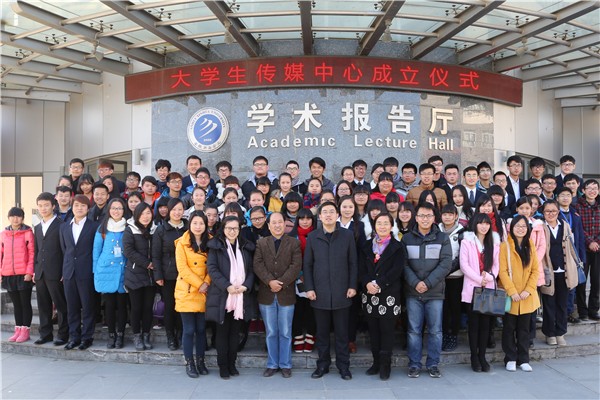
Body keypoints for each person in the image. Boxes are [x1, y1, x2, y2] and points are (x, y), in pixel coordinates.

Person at [304, 202, 358, 380]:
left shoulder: (347, 235)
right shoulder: (313, 237)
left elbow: (353, 263)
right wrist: (309, 288)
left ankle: (344, 366)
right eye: (324, 212)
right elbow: (308, 265)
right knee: (322, 333)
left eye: (331, 212)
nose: (328, 215)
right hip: (319, 293)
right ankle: (323, 365)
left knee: (342, 334)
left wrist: (352, 285)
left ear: (337, 215)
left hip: (342, 291)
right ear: (319, 217)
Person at [401, 202, 451, 379]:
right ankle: (414, 364)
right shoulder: (407, 238)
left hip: (435, 292)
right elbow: (403, 264)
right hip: (413, 292)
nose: (425, 219)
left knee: (435, 331)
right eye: (421, 215)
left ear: (434, 218)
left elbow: (446, 264)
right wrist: (416, 283)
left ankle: (433, 364)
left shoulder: (442, 238)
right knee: (414, 330)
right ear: (416, 218)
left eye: (428, 216)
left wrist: (427, 283)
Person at [254, 212, 303, 378]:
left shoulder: (294, 243)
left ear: (285, 224)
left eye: (280, 222)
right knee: (271, 332)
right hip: (266, 293)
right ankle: (272, 364)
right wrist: (270, 281)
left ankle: (285, 364)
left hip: (286, 293)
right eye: (273, 223)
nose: (277, 225)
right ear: (268, 226)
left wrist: (280, 282)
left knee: (285, 332)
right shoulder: (261, 243)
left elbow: (296, 266)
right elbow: (257, 265)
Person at [207, 216, 256, 379]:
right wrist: (227, 285)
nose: (232, 231)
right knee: (222, 333)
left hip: (240, 295)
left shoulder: (245, 246)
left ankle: (232, 364)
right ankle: (223, 366)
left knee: (235, 333)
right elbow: (212, 269)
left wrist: (246, 286)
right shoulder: (215, 246)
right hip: (223, 296)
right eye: (229, 228)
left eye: (235, 228)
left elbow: (251, 270)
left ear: (239, 229)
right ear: (223, 229)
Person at [358, 213, 405, 380]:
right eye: (379, 223)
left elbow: (397, 270)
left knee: (387, 332)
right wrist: (367, 283)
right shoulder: (366, 245)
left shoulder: (397, 247)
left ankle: (386, 365)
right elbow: (361, 268)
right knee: (374, 331)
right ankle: (376, 363)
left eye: (386, 223)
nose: (382, 226)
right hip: (370, 295)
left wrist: (379, 284)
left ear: (391, 226)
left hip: (388, 295)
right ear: (374, 226)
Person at [499, 215, 540, 372]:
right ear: (511, 228)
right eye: (517, 226)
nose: (521, 229)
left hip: (526, 296)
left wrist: (528, 290)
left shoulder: (530, 244)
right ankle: (510, 358)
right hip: (511, 296)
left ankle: (523, 359)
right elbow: (502, 271)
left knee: (524, 330)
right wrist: (512, 291)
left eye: (523, 226)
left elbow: (535, 270)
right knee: (509, 328)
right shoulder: (505, 246)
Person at [460, 213, 501, 372]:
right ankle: (474, 357)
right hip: (473, 287)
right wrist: (479, 279)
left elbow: (496, 265)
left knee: (485, 325)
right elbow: (464, 265)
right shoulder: (467, 241)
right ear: (475, 224)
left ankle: (482, 356)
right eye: (481, 223)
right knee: (474, 325)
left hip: (488, 288)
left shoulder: (494, 243)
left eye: (487, 223)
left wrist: (490, 276)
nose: (484, 226)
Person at [60, 194, 99, 350]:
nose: (79, 208)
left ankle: (87, 337)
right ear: (72, 207)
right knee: (72, 307)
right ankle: (74, 337)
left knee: (88, 306)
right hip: (69, 272)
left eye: (83, 206)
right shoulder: (64, 227)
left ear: (88, 209)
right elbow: (64, 250)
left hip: (86, 272)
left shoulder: (94, 226)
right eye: (76, 205)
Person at [175, 211, 211, 378]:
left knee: (201, 329)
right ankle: (189, 362)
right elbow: (182, 269)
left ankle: (201, 361)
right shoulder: (182, 243)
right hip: (187, 290)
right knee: (189, 330)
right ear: (189, 224)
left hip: (205, 291)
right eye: (195, 223)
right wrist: (200, 284)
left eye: (201, 223)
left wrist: (207, 283)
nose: (198, 226)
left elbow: (214, 265)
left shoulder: (211, 242)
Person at [540, 200, 580, 346]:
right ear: (543, 213)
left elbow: (571, 247)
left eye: (553, 211)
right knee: (549, 304)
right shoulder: (540, 227)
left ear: (558, 212)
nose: (550, 214)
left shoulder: (565, 225)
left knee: (562, 304)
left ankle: (560, 332)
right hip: (547, 272)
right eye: (547, 211)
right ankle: (550, 333)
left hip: (565, 271)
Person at [32, 192, 69, 346]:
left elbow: (66, 250)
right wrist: (35, 270)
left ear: (53, 206)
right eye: (40, 206)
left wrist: (64, 271)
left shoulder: (62, 225)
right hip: (40, 272)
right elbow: (36, 250)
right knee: (43, 305)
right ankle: (45, 334)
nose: (43, 208)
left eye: (46, 205)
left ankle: (63, 334)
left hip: (56, 272)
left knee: (61, 305)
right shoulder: (37, 227)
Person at [92, 198, 128, 349]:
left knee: (122, 306)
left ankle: (121, 334)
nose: (116, 211)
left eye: (119, 208)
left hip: (123, 271)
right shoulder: (102, 228)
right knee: (109, 306)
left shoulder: (128, 227)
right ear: (109, 210)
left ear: (124, 210)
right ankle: (111, 334)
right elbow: (96, 251)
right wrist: (95, 271)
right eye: (113, 208)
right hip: (106, 271)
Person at [152, 198, 187, 351]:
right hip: (168, 275)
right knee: (170, 306)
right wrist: (158, 275)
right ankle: (170, 336)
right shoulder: (161, 230)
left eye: (180, 209)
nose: (177, 212)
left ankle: (181, 334)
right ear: (169, 211)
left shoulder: (188, 228)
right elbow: (156, 255)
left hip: (185, 275)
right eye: (174, 210)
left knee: (183, 306)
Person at [123, 202, 157, 351]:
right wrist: (148, 263)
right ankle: (137, 335)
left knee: (148, 308)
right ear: (137, 215)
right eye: (142, 214)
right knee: (136, 308)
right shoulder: (130, 229)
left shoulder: (155, 229)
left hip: (150, 276)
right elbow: (128, 251)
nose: (145, 216)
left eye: (148, 213)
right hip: (135, 275)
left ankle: (146, 335)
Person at [1, 207, 35, 343]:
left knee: (25, 303)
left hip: (23, 275)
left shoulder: (28, 233)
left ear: (22, 218)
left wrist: (29, 272)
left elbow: (32, 253)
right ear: (9, 218)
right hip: (8, 274)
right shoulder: (3, 234)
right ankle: (18, 330)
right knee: (16, 304)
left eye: (18, 216)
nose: (15, 219)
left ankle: (25, 331)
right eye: (13, 216)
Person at [289, 208, 317, 354]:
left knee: (312, 309)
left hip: (315, 278)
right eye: (302, 219)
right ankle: (298, 336)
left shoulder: (318, 234)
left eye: (308, 218)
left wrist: (310, 274)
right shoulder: (291, 236)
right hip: (296, 279)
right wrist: (299, 274)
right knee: (298, 309)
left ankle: (311, 336)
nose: (305, 221)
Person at [439, 204, 465, 352]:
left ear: (456, 216)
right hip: (439, 278)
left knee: (455, 308)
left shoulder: (462, 232)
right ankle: (443, 335)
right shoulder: (436, 230)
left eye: (451, 214)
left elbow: (462, 256)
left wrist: (447, 270)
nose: (447, 217)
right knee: (442, 308)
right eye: (445, 214)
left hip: (455, 277)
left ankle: (453, 335)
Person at [575, 179, 600, 321]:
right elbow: (578, 228)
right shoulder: (577, 206)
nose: (592, 191)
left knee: (597, 281)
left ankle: (593, 310)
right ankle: (582, 311)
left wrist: (596, 243)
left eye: (595, 188)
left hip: (598, 249)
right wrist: (590, 242)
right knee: (581, 281)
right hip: (583, 249)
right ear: (583, 190)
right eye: (589, 188)